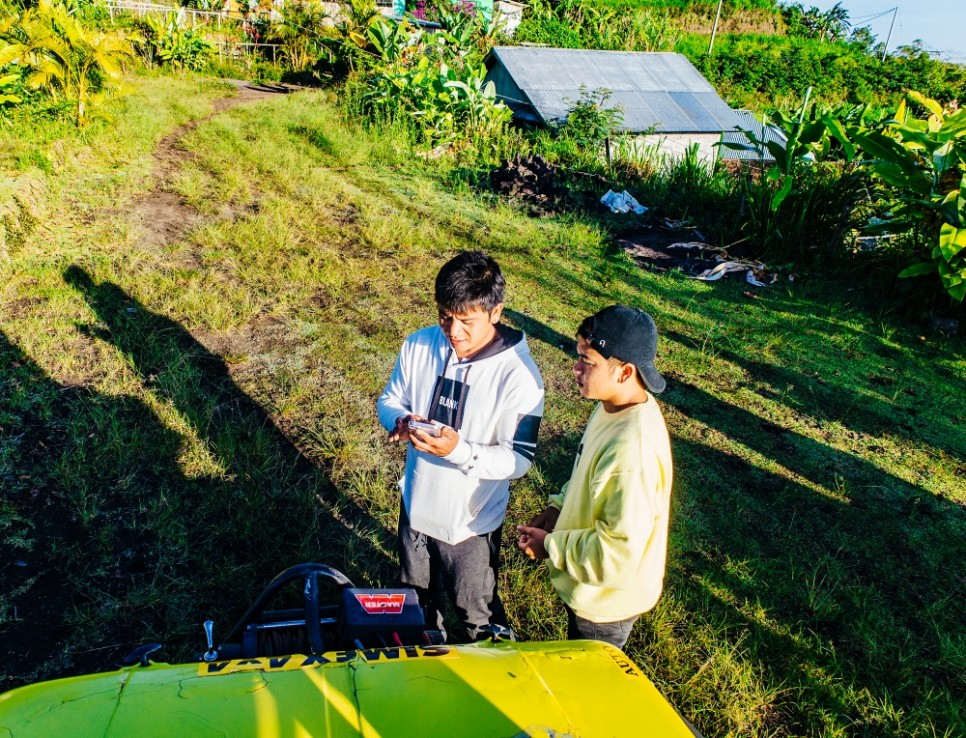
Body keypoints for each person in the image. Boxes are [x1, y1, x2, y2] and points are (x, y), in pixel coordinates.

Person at [377, 251, 544, 642]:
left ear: (495, 311)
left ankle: (488, 674)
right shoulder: (419, 344)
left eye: (467, 321)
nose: (453, 331)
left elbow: (518, 459)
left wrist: (458, 451)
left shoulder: (521, 377)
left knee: (476, 610)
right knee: (414, 601)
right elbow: (389, 399)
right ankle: (420, 659)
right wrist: (399, 422)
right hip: (416, 503)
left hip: (472, 522)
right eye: (445, 316)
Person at [516, 305, 672, 650]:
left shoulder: (632, 452)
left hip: (605, 607)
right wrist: (559, 508)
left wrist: (550, 546)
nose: (575, 369)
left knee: (586, 690)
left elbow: (615, 556)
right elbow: (588, 475)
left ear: (624, 371)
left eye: (588, 362)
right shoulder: (612, 406)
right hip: (591, 588)